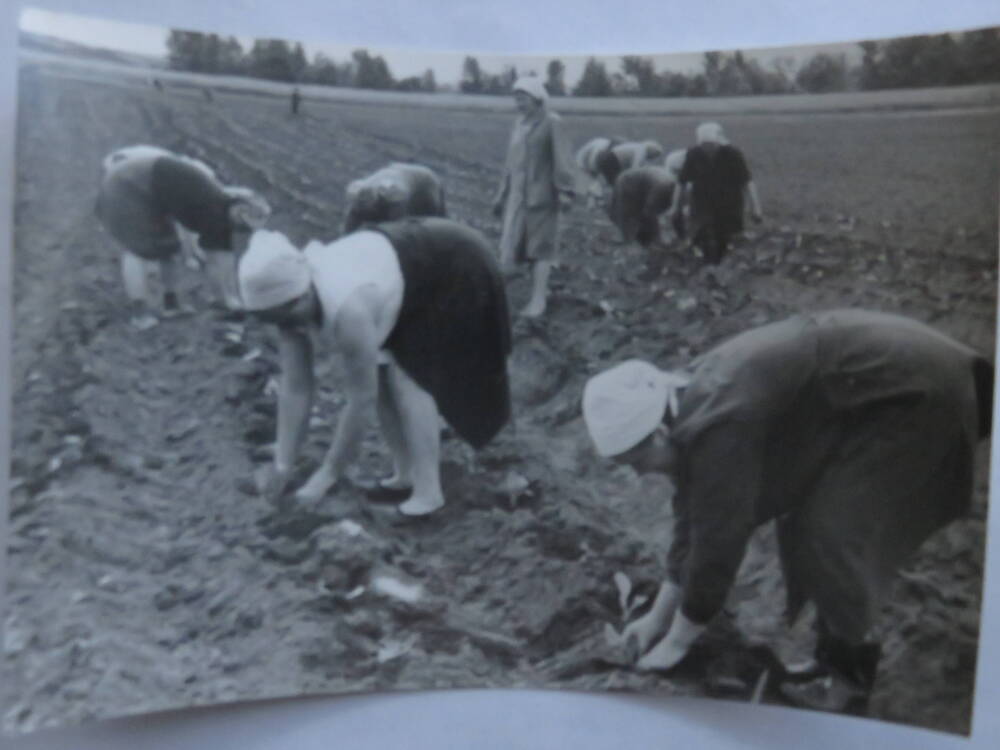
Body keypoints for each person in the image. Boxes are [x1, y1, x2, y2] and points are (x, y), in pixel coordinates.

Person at [582, 309, 993, 712]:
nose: (639, 475)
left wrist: (678, 641)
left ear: (656, 435)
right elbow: (691, 516)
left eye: (636, 462)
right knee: (803, 523)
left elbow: (719, 540)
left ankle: (849, 683)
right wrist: (657, 618)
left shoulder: (719, 425)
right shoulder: (685, 406)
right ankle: (828, 660)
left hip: (911, 391)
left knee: (832, 530)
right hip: (865, 388)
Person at [238, 216, 512, 517]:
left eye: (288, 319)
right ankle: (405, 474)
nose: (288, 329)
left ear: (302, 294)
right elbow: (296, 388)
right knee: (382, 374)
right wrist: (283, 464)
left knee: (410, 377)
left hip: (452, 266)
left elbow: (360, 399)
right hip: (404, 270)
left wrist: (328, 474)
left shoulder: (347, 309)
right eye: (276, 322)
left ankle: (428, 494)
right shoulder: (288, 311)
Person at [96, 145, 270, 327]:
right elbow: (216, 261)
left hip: (149, 189)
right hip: (125, 186)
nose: (241, 232)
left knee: (169, 247)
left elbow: (219, 256)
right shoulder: (212, 210)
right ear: (238, 209)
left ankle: (171, 305)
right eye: (243, 227)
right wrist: (228, 301)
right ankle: (140, 315)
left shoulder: (218, 207)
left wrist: (231, 297)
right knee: (138, 251)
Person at [492, 76, 575, 318]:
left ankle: (539, 301)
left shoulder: (551, 122)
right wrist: (501, 194)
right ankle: (502, 296)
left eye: (523, 99)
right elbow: (510, 163)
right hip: (517, 196)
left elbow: (563, 160)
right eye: (516, 99)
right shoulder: (519, 123)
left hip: (542, 196)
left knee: (541, 248)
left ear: (538, 98)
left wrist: (566, 191)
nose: (519, 104)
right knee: (513, 246)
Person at [667, 122, 762, 265]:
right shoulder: (693, 154)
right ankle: (704, 265)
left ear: (719, 143)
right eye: (705, 145)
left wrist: (756, 208)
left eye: (711, 145)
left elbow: (747, 182)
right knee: (701, 232)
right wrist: (675, 207)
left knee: (726, 236)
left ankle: (721, 266)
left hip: (729, 203)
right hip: (702, 202)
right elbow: (681, 183)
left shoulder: (733, 155)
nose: (708, 149)